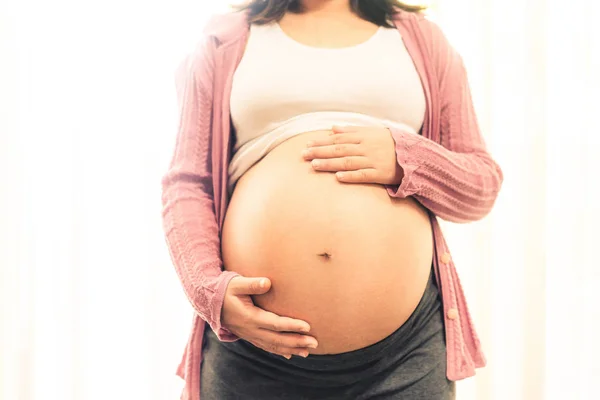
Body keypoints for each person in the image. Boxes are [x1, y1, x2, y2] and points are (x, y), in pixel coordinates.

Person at [161, 1, 503, 399]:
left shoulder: (420, 39)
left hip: (404, 357)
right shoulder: (225, 39)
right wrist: (209, 291)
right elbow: (187, 183)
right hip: (251, 352)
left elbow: (481, 185)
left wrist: (408, 159)